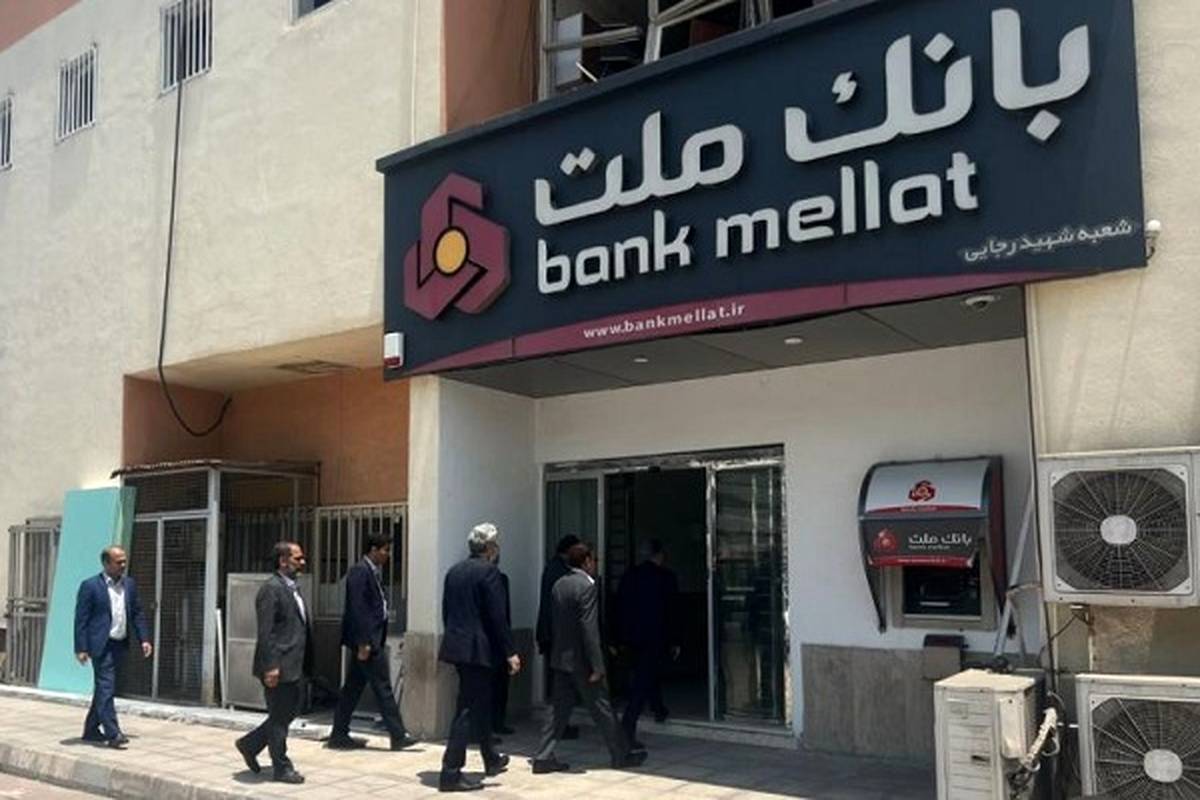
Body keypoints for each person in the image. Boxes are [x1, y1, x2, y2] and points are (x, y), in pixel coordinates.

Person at [532, 542, 646, 775]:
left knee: (557, 710)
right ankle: (621, 754)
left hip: (561, 657)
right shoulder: (586, 586)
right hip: (582, 661)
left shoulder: (559, 584)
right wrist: (597, 664)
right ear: (586, 562)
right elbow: (589, 628)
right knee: (602, 708)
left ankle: (543, 756)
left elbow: (556, 622)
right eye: (593, 560)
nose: (594, 564)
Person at [438, 523, 521, 793]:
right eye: (496, 545)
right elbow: (497, 616)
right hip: (478, 649)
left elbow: (447, 612)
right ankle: (451, 772)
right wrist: (510, 651)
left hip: (459, 647)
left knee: (480, 702)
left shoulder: (454, 571)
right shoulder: (489, 572)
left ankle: (491, 757)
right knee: (466, 708)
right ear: (489, 548)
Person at [327, 530, 417, 751]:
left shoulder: (373, 572)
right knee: (382, 687)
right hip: (367, 641)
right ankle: (398, 734)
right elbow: (358, 609)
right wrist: (364, 642)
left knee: (353, 688)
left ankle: (339, 733)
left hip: (372, 638)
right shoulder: (360, 572)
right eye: (385, 550)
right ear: (373, 550)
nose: (388, 555)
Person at [235, 542, 313, 785]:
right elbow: (266, 632)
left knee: (287, 713)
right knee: (280, 718)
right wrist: (271, 666)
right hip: (278, 665)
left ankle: (250, 744)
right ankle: (282, 767)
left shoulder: (292, 588)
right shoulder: (271, 589)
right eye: (298, 558)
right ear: (283, 561)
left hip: (294, 664)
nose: (302, 563)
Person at [73, 545, 152, 749]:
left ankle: (91, 730)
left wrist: (144, 639)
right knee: (106, 686)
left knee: (104, 688)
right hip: (101, 645)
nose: (123, 565)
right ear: (106, 563)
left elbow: (137, 613)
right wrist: (81, 648)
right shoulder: (90, 586)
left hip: (120, 643)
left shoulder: (129, 585)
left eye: (124, 561)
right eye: (119, 562)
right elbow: (81, 619)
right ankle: (113, 732)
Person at [618, 539, 680, 747]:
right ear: (660, 555)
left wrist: (621, 637)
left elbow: (621, 607)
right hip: (655, 636)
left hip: (633, 637)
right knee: (643, 680)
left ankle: (658, 707)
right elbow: (672, 611)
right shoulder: (666, 578)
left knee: (646, 673)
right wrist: (675, 640)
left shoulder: (630, 576)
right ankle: (627, 726)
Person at [535, 534, 581, 740]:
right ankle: (557, 727)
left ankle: (559, 726)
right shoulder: (561, 572)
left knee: (560, 684)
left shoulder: (551, 568)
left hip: (550, 633)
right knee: (561, 685)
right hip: (557, 635)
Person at [491, 564, 514, 737]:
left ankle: (497, 723)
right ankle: (492, 726)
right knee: (493, 688)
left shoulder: (502, 579)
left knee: (500, 686)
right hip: (492, 643)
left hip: (496, 642)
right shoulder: (496, 580)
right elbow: (500, 616)